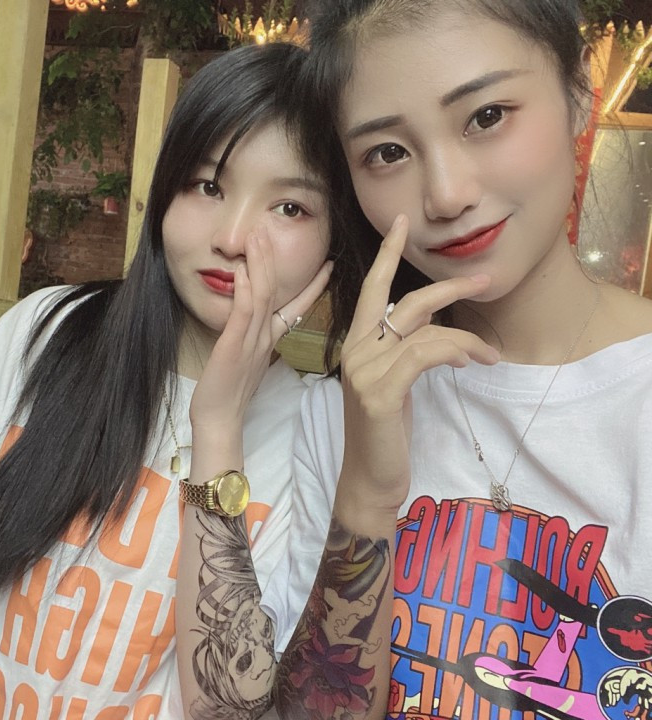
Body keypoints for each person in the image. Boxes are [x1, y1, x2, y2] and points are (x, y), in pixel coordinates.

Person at [264, 2, 652, 719]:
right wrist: (367, 497)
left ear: (578, 95)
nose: (446, 195)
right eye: (387, 153)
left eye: (486, 116)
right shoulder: (344, 413)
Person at [0, 42, 337, 719]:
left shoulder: (316, 437)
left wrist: (218, 428)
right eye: (208, 186)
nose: (234, 237)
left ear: (335, 242)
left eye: (290, 208)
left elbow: (227, 708)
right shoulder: (46, 332)